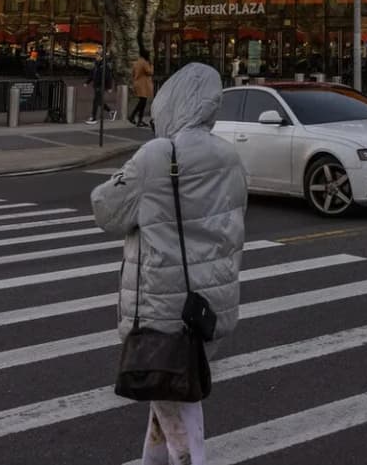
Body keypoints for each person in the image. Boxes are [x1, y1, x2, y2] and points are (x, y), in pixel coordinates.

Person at [92, 63, 245, 465]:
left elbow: (106, 209)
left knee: (177, 409)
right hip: (207, 303)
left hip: (162, 306)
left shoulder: (158, 154)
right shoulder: (228, 156)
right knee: (171, 393)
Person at [129, 51, 156, 129]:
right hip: (143, 85)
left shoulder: (137, 62)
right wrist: (152, 65)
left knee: (142, 102)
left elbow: (133, 73)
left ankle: (138, 119)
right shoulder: (144, 63)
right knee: (142, 102)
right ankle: (133, 116)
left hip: (138, 83)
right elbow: (150, 72)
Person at [88, 54, 116, 125]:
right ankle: (111, 111)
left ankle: (94, 118)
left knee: (95, 102)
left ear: (101, 57)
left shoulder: (104, 66)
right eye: (96, 56)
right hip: (96, 85)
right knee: (99, 102)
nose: (96, 57)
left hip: (101, 86)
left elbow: (108, 77)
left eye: (97, 56)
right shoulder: (96, 65)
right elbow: (92, 74)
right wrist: (87, 82)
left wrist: (109, 87)